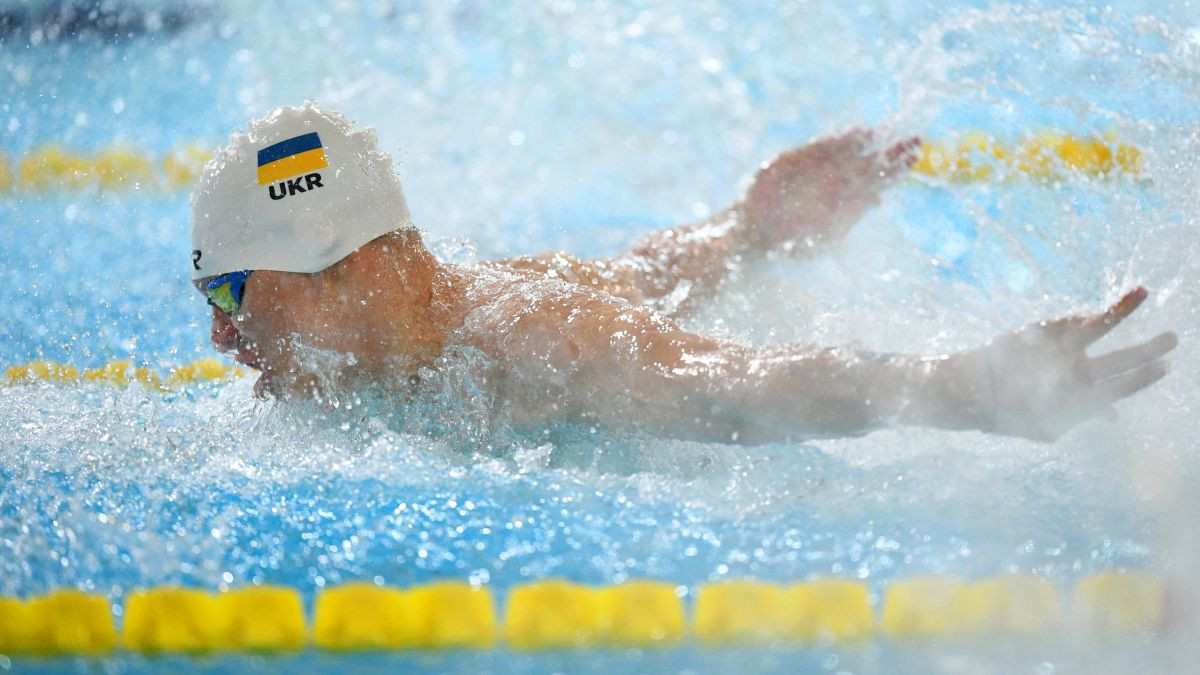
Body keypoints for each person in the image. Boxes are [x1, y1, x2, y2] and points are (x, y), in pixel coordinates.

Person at [191, 103, 1176, 444]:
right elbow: (627, 280)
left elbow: (741, 386)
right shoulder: (456, 320)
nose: (220, 338)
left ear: (341, 260)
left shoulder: (521, 348)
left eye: (230, 291)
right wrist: (746, 230)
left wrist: (957, 390)